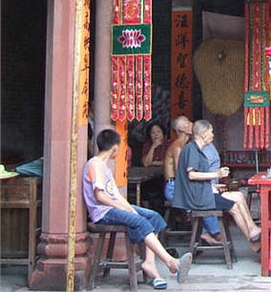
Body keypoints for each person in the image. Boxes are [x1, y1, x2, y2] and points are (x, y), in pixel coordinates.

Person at [83, 129, 192, 288]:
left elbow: (116, 195)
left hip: (113, 208)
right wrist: (123, 209)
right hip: (103, 212)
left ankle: (149, 263)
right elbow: (100, 197)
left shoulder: (105, 167)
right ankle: (171, 262)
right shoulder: (95, 164)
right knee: (141, 222)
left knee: (153, 217)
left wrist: (129, 208)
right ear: (114, 148)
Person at [172, 119, 261, 252]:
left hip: (204, 193)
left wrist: (213, 187)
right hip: (197, 199)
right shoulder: (192, 149)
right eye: (211, 132)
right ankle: (252, 242)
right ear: (203, 134)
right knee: (234, 207)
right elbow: (192, 175)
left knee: (238, 196)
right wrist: (216, 174)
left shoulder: (197, 149)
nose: (213, 135)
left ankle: (252, 228)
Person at [164, 115, 221, 245]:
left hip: (181, 185)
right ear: (181, 129)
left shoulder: (188, 146)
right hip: (175, 188)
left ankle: (206, 232)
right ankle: (214, 232)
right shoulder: (178, 147)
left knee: (205, 195)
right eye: (188, 124)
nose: (192, 125)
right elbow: (182, 174)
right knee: (204, 199)